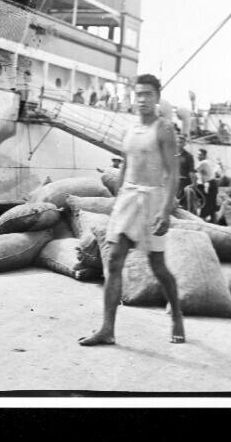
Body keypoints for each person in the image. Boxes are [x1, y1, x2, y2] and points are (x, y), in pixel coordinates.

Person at [79, 73, 185, 347]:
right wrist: (117, 202)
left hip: (153, 200)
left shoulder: (164, 129)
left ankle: (177, 316)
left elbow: (173, 174)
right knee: (114, 260)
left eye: (148, 94)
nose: (142, 99)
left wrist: (165, 210)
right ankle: (107, 329)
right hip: (127, 199)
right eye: (138, 94)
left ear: (157, 98)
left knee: (157, 266)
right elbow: (125, 165)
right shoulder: (128, 130)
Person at [195, 148, 218, 222]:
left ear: (204, 155)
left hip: (210, 184)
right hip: (212, 183)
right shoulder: (208, 162)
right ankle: (213, 220)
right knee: (211, 203)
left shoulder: (203, 163)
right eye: (198, 155)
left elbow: (193, 171)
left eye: (200, 155)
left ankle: (203, 219)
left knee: (206, 202)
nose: (198, 156)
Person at [176, 132, 195, 208]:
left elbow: (191, 171)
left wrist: (193, 183)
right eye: (177, 142)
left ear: (184, 144)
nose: (178, 144)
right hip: (174, 182)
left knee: (183, 204)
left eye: (181, 142)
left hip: (184, 183)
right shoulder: (172, 154)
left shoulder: (188, 156)